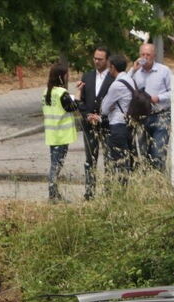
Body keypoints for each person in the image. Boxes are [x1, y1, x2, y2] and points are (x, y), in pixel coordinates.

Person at [77, 46, 114, 200]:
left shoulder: (113, 78)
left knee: (108, 158)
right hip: (88, 124)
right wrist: (87, 115)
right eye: (95, 58)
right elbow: (82, 100)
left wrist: (100, 116)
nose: (97, 61)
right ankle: (89, 191)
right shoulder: (87, 76)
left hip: (105, 124)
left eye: (100, 59)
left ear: (107, 60)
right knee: (90, 158)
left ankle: (108, 191)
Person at [129, 43, 173, 172]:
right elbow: (123, 84)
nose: (145, 57)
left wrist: (158, 98)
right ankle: (148, 183)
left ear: (154, 55)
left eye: (148, 55)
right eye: (142, 54)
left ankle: (159, 183)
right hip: (142, 117)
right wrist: (133, 70)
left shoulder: (164, 71)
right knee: (143, 154)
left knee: (158, 153)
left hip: (161, 115)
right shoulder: (135, 72)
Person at [42, 63, 78, 202]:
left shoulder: (47, 92)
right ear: (61, 76)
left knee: (55, 164)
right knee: (56, 166)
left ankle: (54, 194)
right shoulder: (62, 93)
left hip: (52, 135)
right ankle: (53, 195)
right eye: (67, 74)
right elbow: (72, 107)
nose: (68, 76)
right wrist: (79, 93)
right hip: (62, 135)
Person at [100, 55, 136, 179]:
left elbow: (104, 109)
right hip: (128, 124)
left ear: (113, 67)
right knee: (127, 159)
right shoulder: (129, 80)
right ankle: (127, 188)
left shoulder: (116, 85)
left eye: (109, 67)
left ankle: (122, 189)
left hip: (117, 125)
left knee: (119, 161)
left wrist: (108, 105)